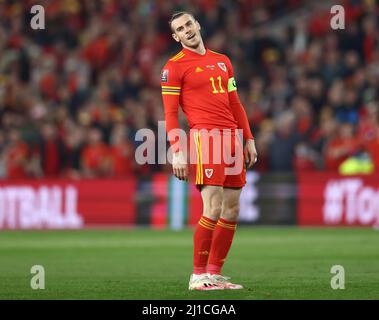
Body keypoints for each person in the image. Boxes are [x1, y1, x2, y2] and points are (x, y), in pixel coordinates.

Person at [160, 12, 257, 291]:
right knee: (212, 207)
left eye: (189, 24)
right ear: (176, 37)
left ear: (197, 25)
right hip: (206, 138)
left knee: (232, 209)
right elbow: (170, 114)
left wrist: (248, 139)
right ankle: (198, 276)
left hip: (232, 139)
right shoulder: (173, 67)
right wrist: (178, 150)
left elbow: (235, 103)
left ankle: (214, 274)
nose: (187, 30)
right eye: (180, 29)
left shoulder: (223, 60)